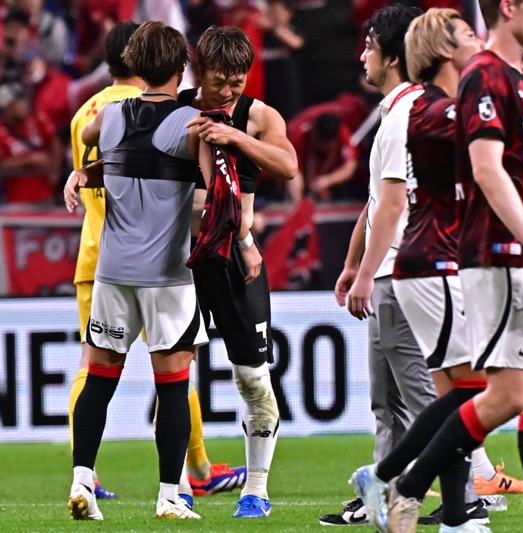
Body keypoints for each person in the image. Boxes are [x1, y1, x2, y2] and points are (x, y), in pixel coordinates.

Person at [385, 1, 523, 532]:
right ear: (507, 8)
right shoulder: (481, 78)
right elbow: (486, 169)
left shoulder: (518, 80)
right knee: (503, 394)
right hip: (500, 255)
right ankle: (404, 486)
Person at [66, 21, 260, 521]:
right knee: (173, 384)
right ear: (182, 68)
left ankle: (83, 480)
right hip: (168, 273)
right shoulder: (192, 122)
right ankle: (170, 493)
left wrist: (84, 170)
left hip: (111, 271)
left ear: (133, 66)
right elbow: (219, 190)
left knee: (99, 377)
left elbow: (91, 136)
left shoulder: (107, 116)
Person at [320, 5, 434, 526]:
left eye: (368, 45)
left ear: (392, 57)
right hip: (387, 271)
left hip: (399, 275)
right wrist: (352, 262)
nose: (359, 54)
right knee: (388, 403)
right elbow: (375, 199)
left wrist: (366, 274)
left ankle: (462, 494)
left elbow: (391, 205)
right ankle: (385, 490)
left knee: (422, 397)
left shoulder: (404, 115)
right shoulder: (401, 110)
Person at [178, 25, 299, 518]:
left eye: (238, 80)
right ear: (198, 70)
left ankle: (257, 489)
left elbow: (288, 166)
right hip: (180, 261)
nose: (228, 91)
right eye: (219, 81)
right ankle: (178, 485)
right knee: (174, 375)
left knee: (252, 379)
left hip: (235, 258)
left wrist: (232, 135)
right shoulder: (177, 110)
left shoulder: (258, 116)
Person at [65, 19, 144, 502]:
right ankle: (194, 468)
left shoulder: (82, 112)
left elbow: (82, 176)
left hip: (93, 251)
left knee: (88, 365)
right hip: (143, 253)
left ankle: (83, 471)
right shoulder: (140, 109)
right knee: (172, 359)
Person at [0, 83, 59, 206]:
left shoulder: (37, 120)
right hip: (16, 199)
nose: (25, 105)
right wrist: (29, 161)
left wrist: (55, 171)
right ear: (6, 106)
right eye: (19, 102)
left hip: (45, 194)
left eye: (25, 101)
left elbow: (55, 141)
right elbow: (0, 166)